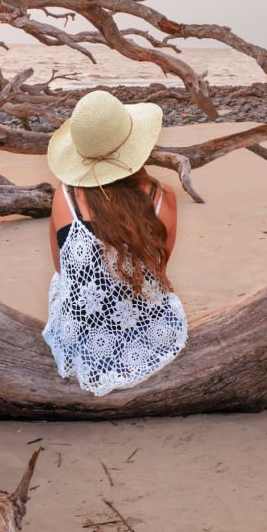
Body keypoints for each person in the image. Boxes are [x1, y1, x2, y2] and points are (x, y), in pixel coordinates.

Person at [43, 89, 187, 396]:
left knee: (60, 281)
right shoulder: (163, 198)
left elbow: (60, 268)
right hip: (146, 334)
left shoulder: (64, 195)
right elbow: (158, 269)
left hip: (83, 340)